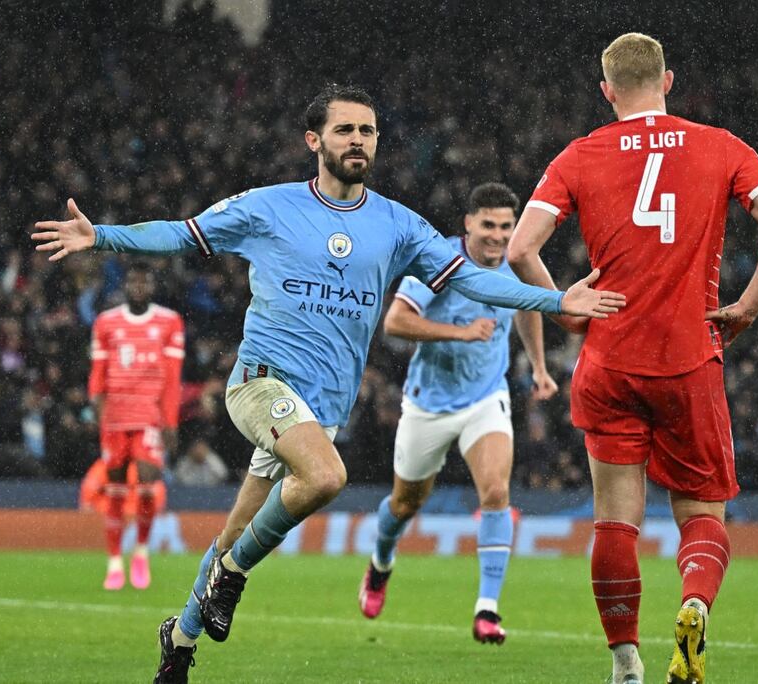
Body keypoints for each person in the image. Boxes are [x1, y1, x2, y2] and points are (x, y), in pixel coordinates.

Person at [33, 84, 625, 683]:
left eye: (367, 131)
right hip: (261, 384)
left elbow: (474, 281)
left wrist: (554, 300)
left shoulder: (398, 225)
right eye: (345, 130)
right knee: (325, 476)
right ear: (314, 140)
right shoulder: (269, 207)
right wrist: (101, 235)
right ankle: (231, 576)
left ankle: (179, 643)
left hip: (321, 410)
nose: (358, 141)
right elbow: (184, 234)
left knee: (238, 530)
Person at [506, 33, 758, 684]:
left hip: (609, 359)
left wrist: (562, 303)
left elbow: (521, 247)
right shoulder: (720, 146)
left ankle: (624, 662)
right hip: (690, 354)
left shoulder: (579, 157)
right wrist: (748, 306)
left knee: (615, 516)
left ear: (607, 91)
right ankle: (694, 603)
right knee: (700, 512)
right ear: (669, 82)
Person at [358, 182, 559, 645]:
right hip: (428, 404)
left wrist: (540, 366)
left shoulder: (517, 262)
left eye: (506, 226)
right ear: (468, 223)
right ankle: (381, 562)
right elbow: (396, 322)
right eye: (488, 224)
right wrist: (461, 332)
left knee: (496, 493)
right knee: (406, 503)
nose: (498, 235)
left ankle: (487, 609)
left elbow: (528, 307)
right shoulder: (437, 261)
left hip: (486, 398)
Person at [87, 260, 185, 590]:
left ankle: (140, 552)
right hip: (115, 416)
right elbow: (98, 376)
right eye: (133, 282)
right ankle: (115, 562)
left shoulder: (170, 322)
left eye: (144, 282)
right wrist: (99, 414)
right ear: (125, 286)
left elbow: (172, 379)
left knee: (146, 485)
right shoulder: (106, 323)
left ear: (152, 287)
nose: (138, 288)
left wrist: (170, 422)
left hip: (150, 417)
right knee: (114, 488)